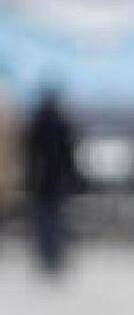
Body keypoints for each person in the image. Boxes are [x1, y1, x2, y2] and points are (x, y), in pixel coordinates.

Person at [23, 86, 81, 275]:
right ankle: (54, 256)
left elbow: (30, 153)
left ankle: (47, 256)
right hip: (57, 180)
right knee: (56, 218)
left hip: (42, 180)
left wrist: (30, 177)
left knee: (44, 219)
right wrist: (74, 178)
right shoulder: (62, 122)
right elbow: (68, 155)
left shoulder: (37, 121)